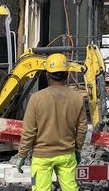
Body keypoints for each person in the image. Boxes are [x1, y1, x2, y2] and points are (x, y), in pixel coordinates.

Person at [17, 53, 87, 191]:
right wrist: (77, 149)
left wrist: (23, 154)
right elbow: (82, 128)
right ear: (67, 75)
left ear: (47, 75)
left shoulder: (36, 98)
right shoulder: (77, 98)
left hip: (42, 156)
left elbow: (29, 131)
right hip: (67, 154)